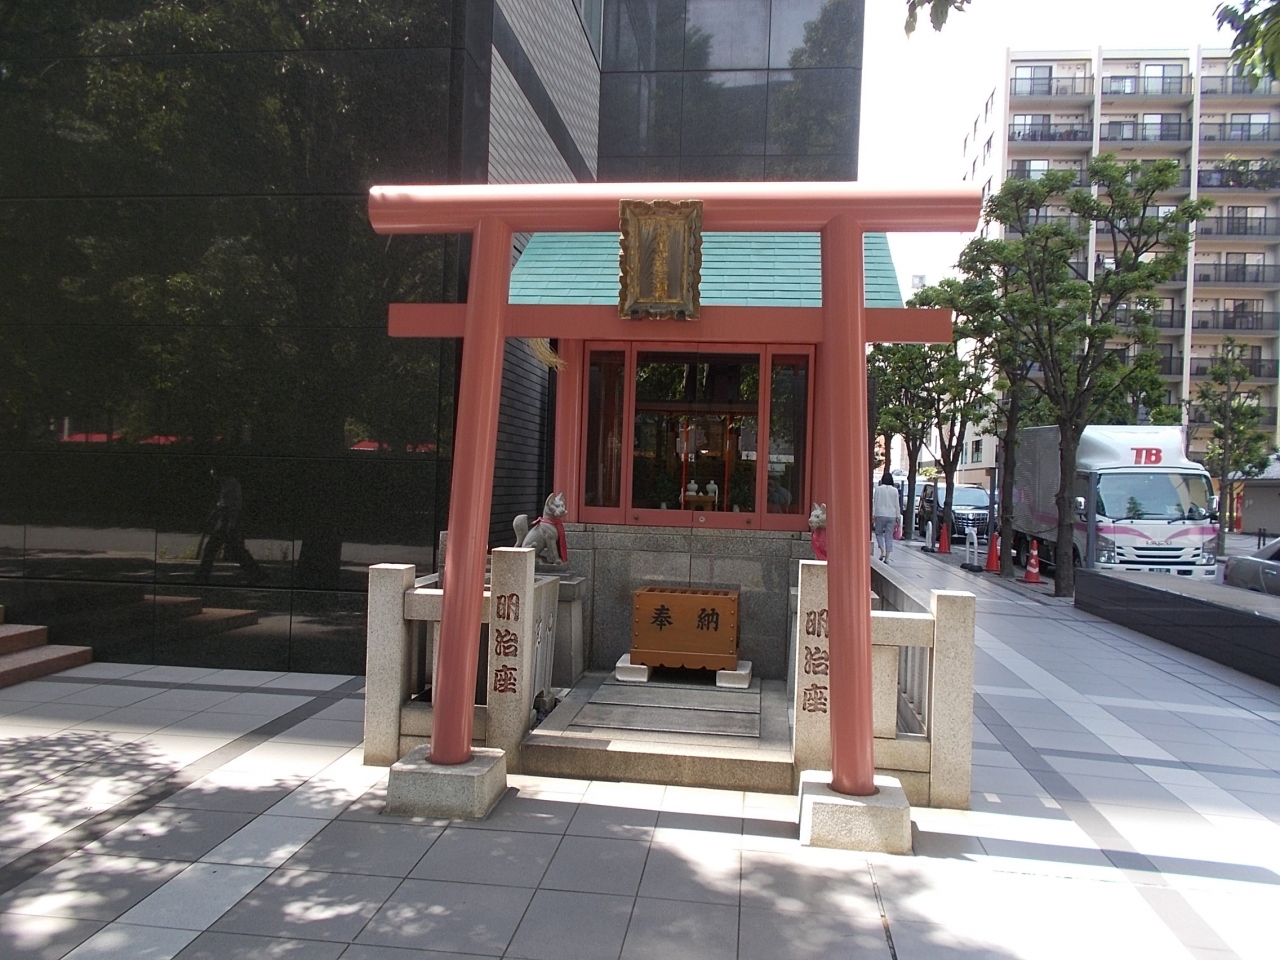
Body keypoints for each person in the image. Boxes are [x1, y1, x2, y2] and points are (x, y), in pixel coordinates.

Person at [198, 469, 263, 583]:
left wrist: (224, 519)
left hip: (227, 520)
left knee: (211, 548)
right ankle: (256, 573)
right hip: (227, 519)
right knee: (236, 549)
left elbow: (229, 505)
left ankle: (202, 576)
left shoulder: (230, 484)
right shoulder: (227, 483)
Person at [872, 472, 902, 563]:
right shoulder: (895, 490)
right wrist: (898, 516)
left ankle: (882, 550)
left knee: (879, 533)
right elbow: (897, 504)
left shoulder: (878, 489)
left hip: (880, 514)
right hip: (892, 515)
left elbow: (875, 502)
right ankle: (887, 557)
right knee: (889, 536)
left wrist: (874, 514)